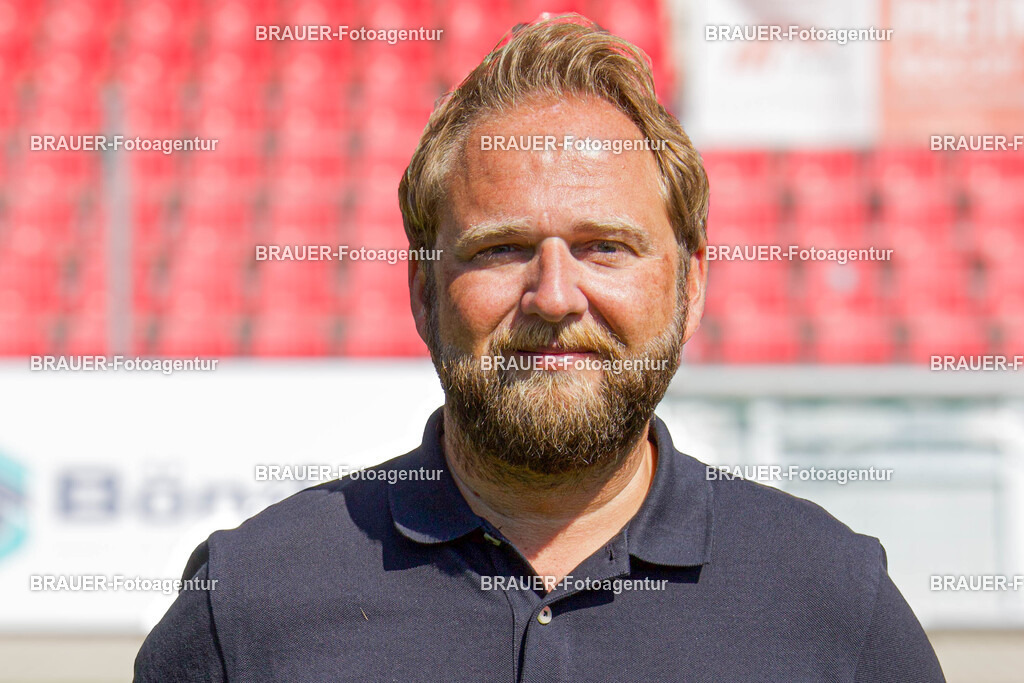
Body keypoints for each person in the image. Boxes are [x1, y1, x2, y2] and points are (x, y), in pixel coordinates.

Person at [135, 15, 945, 681]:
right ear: (421, 292)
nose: (554, 296)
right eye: (500, 249)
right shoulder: (248, 600)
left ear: (691, 287)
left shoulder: (836, 604)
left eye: (605, 247)